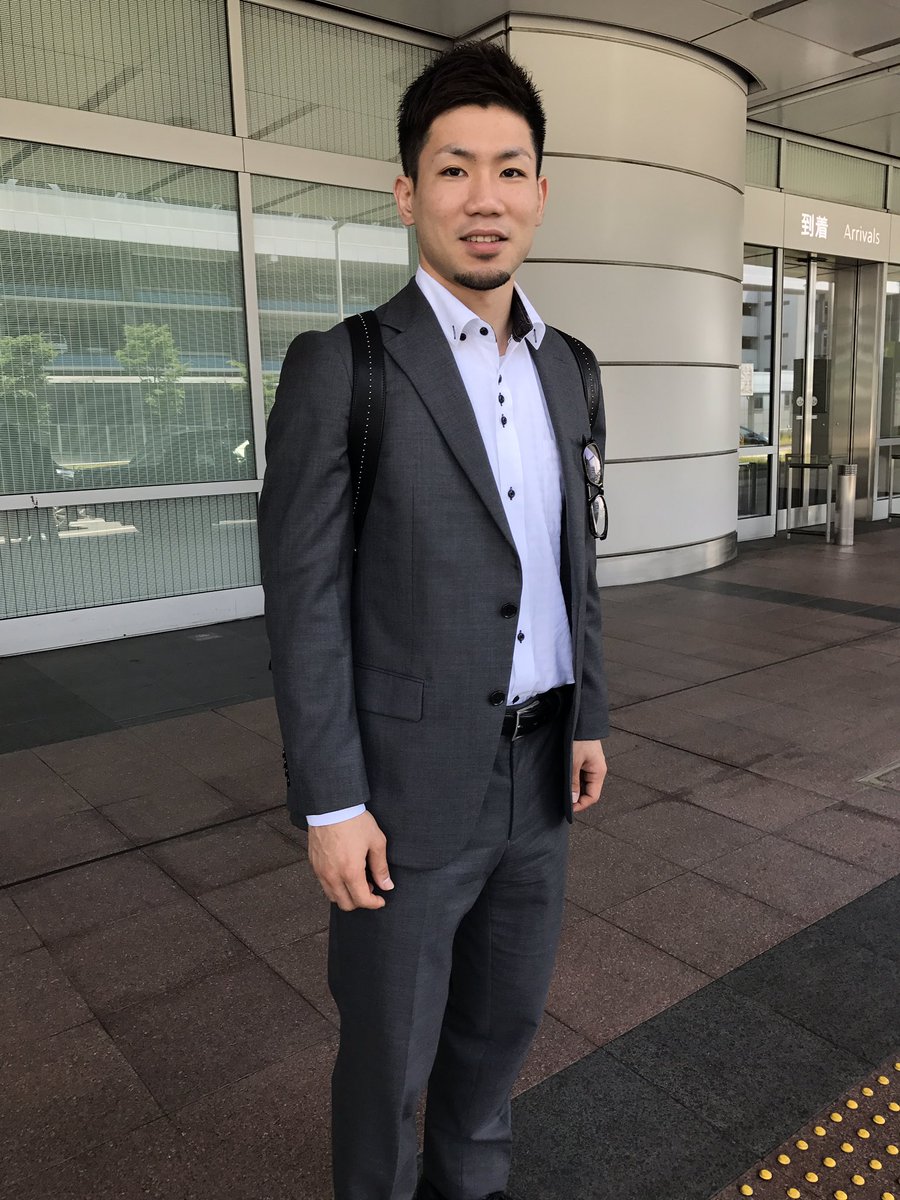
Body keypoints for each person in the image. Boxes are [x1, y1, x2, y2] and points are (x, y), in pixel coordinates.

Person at [258, 40, 610, 1200]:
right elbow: (304, 601)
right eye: (454, 170)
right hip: (403, 795)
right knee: (388, 1061)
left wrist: (588, 714)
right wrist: (331, 802)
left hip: (540, 778)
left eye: (509, 171)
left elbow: (574, 566)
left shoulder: (571, 370)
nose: (484, 199)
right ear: (408, 192)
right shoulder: (344, 367)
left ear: (541, 193)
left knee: (499, 1039)